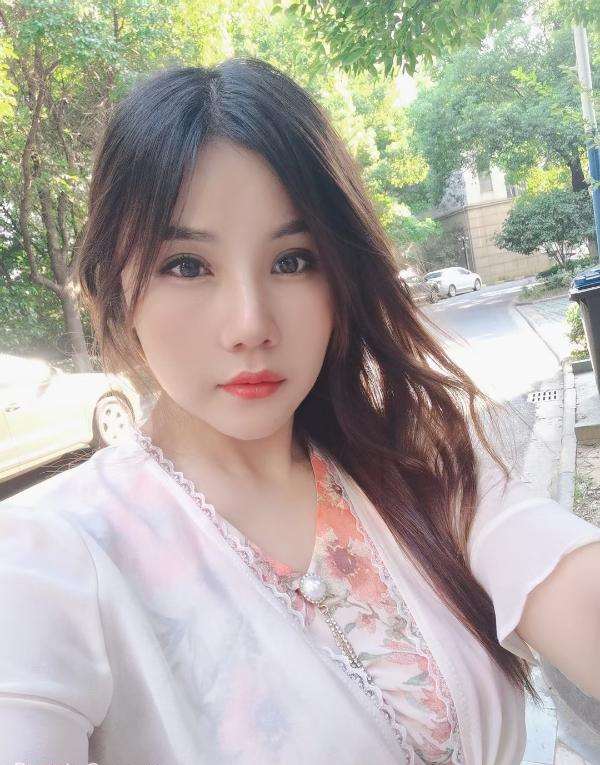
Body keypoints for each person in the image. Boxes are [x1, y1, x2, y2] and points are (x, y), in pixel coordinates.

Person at [0, 57, 599, 765]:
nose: (250, 324)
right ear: (115, 284)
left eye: (292, 260)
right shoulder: (54, 561)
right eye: (187, 265)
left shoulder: (416, 464)